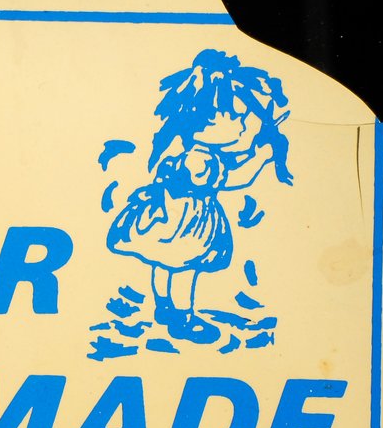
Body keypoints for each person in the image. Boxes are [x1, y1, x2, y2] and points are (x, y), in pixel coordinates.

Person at [106, 49, 292, 344]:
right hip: (186, 223)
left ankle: (164, 308)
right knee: (183, 267)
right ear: (207, 121)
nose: (244, 126)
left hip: (165, 214)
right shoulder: (200, 159)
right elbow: (235, 178)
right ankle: (183, 318)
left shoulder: (179, 147)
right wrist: (263, 157)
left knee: (163, 264)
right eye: (238, 118)